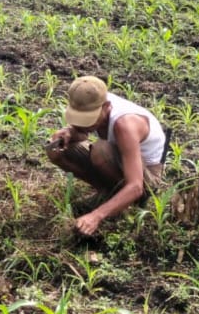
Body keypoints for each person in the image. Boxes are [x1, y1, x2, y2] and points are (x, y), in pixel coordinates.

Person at [44, 75, 167, 237]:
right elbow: (83, 134)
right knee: (58, 151)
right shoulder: (88, 101)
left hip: (146, 177)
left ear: (107, 106)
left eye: (89, 119)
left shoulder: (125, 124)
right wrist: (69, 132)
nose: (84, 123)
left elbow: (136, 186)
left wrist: (96, 216)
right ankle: (107, 194)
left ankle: (125, 206)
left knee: (101, 151)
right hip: (120, 163)